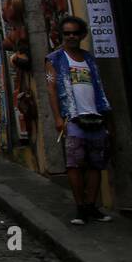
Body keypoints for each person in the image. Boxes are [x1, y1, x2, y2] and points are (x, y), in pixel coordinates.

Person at [44, 16, 114, 226]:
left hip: (96, 116)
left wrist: (107, 117)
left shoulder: (89, 59)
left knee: (95, 164)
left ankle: (92, 206)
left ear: (82, 35)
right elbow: (51, 88)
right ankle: (80, 207)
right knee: (74, 164)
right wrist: (57, 117)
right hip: (73, 117)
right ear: (61, 35)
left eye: (75, 33)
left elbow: (99, 86)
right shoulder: (54, 59)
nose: (71, 36)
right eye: (67, 33)